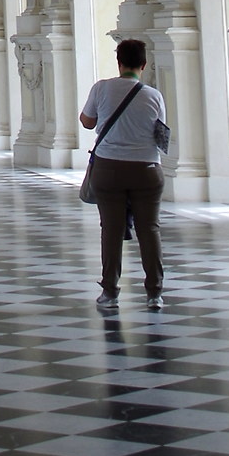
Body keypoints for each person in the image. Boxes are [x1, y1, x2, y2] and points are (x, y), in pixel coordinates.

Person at [80, 38, 169, 311]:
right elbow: (161, 134)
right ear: (143, 65)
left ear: (119, 62)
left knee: (111, 229)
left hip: (109, 169)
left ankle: (110, 291)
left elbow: (87, 121)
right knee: (149, 229)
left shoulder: (102, 88)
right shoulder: (153, 95)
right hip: (147, 169)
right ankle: (154, 292)